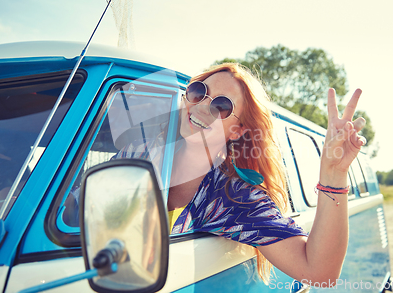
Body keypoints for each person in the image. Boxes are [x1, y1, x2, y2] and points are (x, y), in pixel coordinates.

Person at [116, 63, 366, 286]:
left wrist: (334, 173)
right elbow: (80, 204)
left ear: (237, 131)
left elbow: (321, 273)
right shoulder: (139, 153)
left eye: (221, 106)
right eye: (198, 92)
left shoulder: (234, 197)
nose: (202, 106)